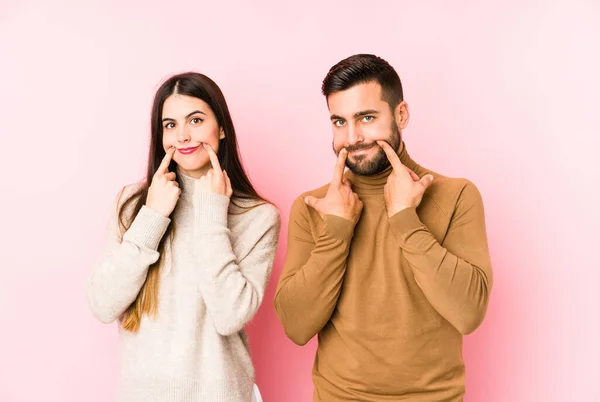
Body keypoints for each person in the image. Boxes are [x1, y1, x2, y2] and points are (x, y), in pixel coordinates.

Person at [274, 54, 493, 401]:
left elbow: (469, 313)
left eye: (367, 118)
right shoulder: (314, 207)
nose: (352, 137)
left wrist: (406, 219)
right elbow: (296, 327)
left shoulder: (456, 195)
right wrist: (336, 230)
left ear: (401, 114)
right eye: (339, 122)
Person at [87, 72, 280, 402]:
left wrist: (211, 213)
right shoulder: (134, 203)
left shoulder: (257, 217)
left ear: (221, 128)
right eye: (170, 125)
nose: (183, 136)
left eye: (196, 120)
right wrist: (152, 218)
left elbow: (229, 315)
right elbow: (103, 304)